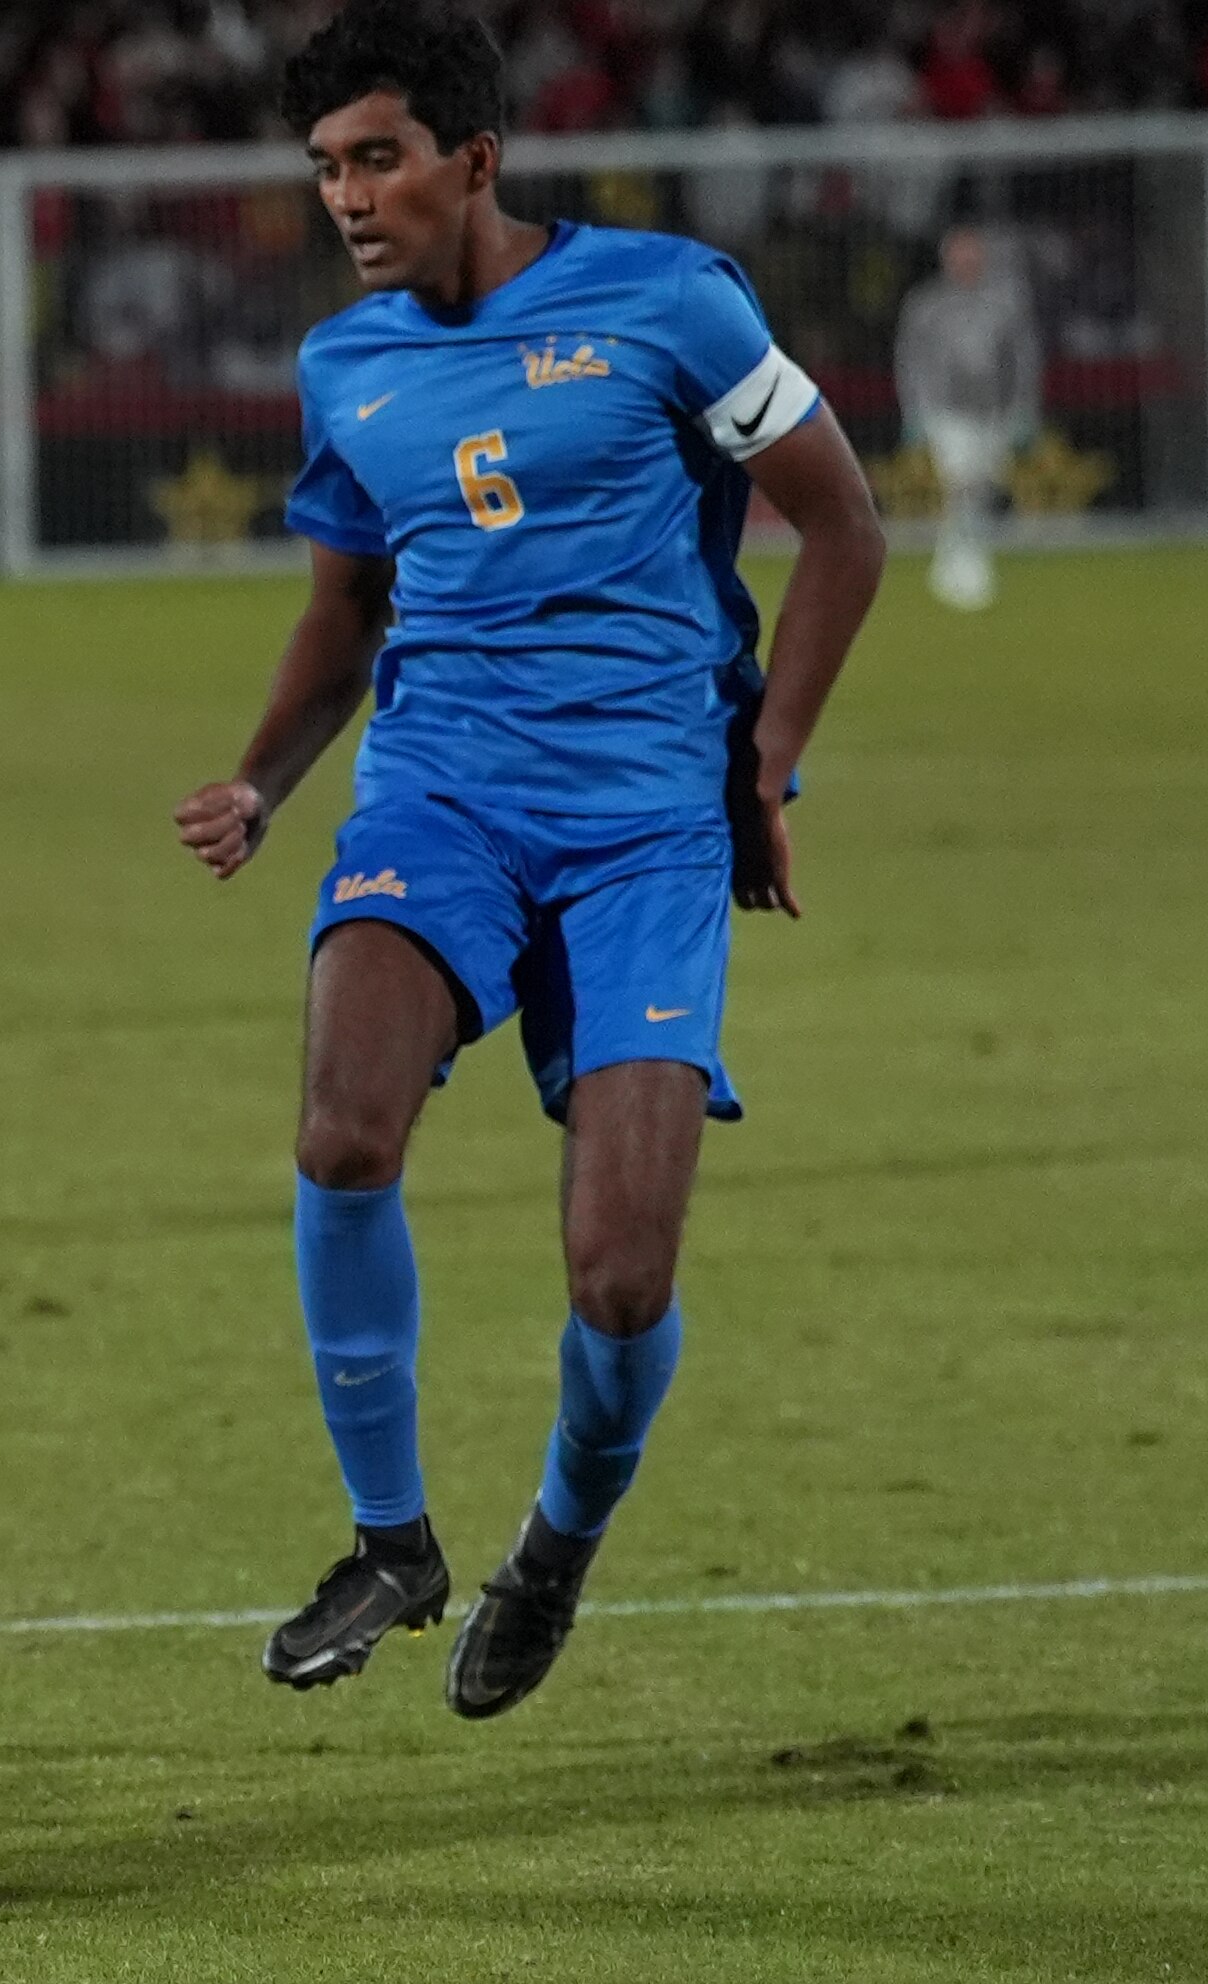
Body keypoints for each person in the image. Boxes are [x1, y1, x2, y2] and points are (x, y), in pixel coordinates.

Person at [174, 0, 884, 1718]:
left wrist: (762, 768)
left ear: (471, 161)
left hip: (643, 813)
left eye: (379, 159)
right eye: (328, 166)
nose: (348, 198)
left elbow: (845, 528)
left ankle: (555, 1542)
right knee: (345, 1121)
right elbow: (345, 614)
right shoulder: (348, 366)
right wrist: (267, 782)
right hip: (440, 791)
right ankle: (390, 1538)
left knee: (620, 1270)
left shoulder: (670, 301)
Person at [895, 224, 1040, 611]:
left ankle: (957, 555)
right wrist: (915, 414)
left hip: (992, 411)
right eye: (959, 255)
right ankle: (963, 563)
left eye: (972, 254)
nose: (966, 261)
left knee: (983, 485)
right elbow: (910, 362)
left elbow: (1023, 359)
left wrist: (1024, 411)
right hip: (945, 411)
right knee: (960, 481)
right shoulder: (926, 304)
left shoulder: (1004, 302)